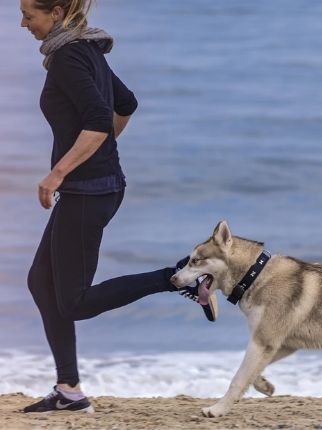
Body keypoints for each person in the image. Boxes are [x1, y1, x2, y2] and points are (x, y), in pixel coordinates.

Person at [19, 0, 217, 413]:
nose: (24, 24)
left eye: (29, 15)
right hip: (94, 187)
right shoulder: (83, 48)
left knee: (74, 301)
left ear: (55, 13)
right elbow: (125, 105)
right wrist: (101, 151)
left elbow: (96, 119)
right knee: (42, 282)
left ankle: (179, 279)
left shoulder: (69, 56)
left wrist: (59, 172)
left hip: (89, 191)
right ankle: (69, 390)